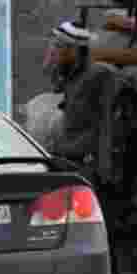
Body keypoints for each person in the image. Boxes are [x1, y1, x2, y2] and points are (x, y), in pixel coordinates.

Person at [49, 20, 119, 170]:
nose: (54, 51)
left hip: (87, 163)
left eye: (59, 46)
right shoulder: (70, 75)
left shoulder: (99, 75)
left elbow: (106, 121)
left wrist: (104, 166)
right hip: (65, 158)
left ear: (74, 49)